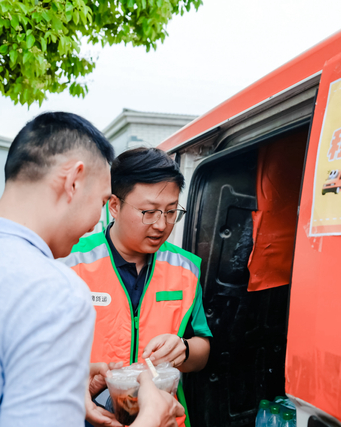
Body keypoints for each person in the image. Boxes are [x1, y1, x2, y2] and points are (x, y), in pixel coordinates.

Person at [0, 113, 183, 427]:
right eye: (101, 202)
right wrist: (153, 417)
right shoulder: (54, 291)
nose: (94, 224)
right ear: (73, 181)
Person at [62, 147, 212, 427]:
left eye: (171, 211)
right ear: (114, 206)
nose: (161, 225)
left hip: (164, 418)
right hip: (86, 416)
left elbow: (202, 349)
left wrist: (183, 349)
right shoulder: (70, 263)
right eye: (149, 212)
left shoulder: (186, 269)